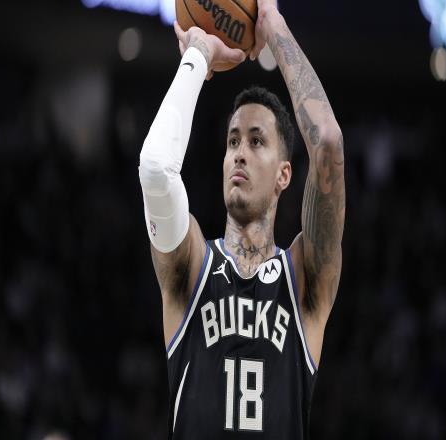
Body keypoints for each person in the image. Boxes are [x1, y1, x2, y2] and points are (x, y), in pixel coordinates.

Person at [138, 1, 345, 438]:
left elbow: (327, 141)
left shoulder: (303, 279)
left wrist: (272, 23)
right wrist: (198, 53)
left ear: (284, 175)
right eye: (233, 141)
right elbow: (155, 169)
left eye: (256, 141)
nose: (239, 153)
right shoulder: (192, 264)